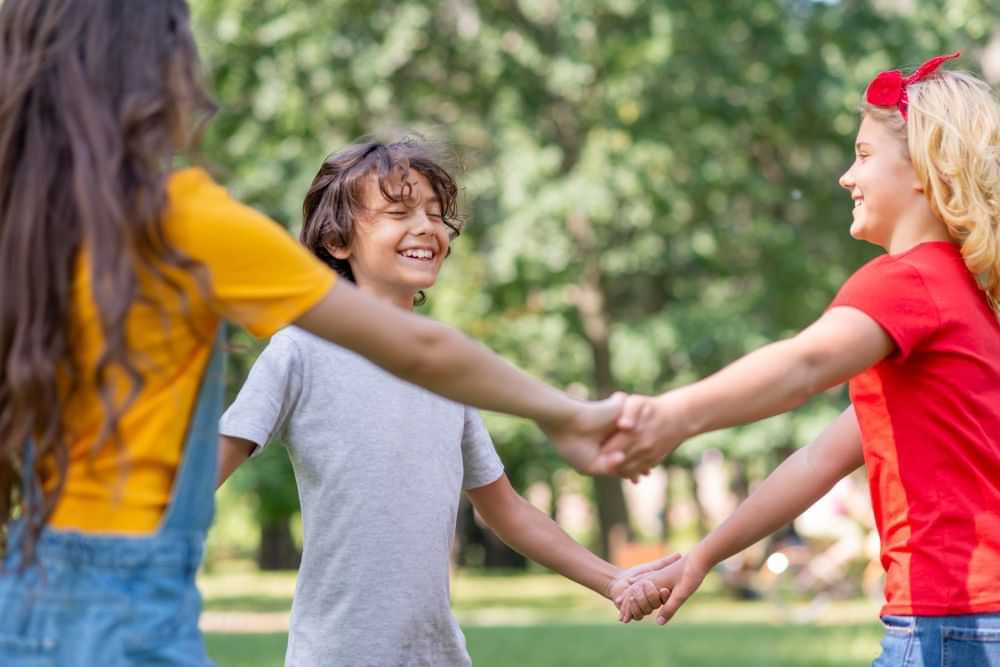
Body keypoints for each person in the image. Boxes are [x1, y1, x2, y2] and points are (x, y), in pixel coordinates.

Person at [0, 3, 626, 664]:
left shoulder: (27, 235)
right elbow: (422, 350)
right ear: (155, 76)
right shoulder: (183, 221)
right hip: (129, 594)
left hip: (24, 587)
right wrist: (569, 413)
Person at [218, 138, 677, 666]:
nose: (426, 227)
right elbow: (211, 465)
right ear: (337, 241)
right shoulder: (299, 351)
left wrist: (615, 580)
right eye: (398, 212)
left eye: (436, 215)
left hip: (438, 656)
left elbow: (506, 510)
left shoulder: (447, 370)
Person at [610, 53, 1000, 666]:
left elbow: (803, 366)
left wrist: (670, 415)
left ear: (926, 169)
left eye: (865, 156)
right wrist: (706, 552)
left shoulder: (906, 283)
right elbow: (819, 459)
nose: (847, 176)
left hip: (951, 625)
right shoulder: (962, 297)